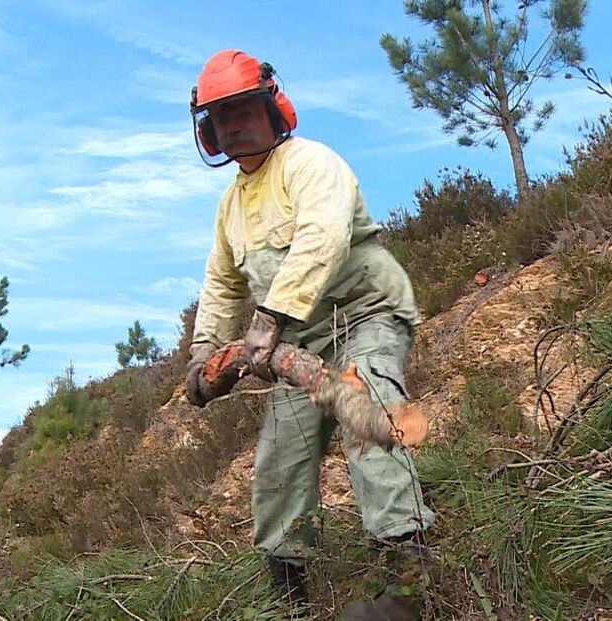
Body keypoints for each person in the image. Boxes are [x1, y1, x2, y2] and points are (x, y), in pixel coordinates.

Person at [185, 49, 435, 620]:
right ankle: (287, 600)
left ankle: (407, 588)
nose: (236, 124)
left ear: (273, 107)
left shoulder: (310, 164)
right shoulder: (231, 207)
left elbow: (323, 236)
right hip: (301, 342)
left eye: (246, 108)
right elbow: (222, 284)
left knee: (366, 405)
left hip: (365, 310)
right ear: (209, 130)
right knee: (279, 458)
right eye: (223, 117)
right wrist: (205, 356)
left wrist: (268, 321)